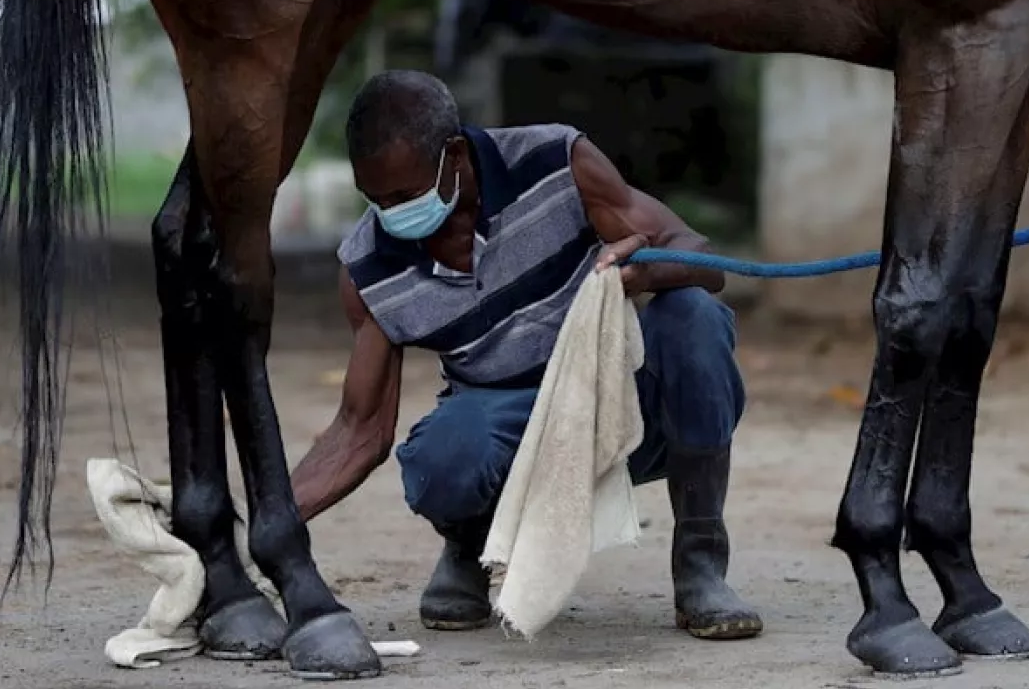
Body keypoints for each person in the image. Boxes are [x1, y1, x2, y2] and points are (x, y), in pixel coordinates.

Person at [288, 69, 762, 641]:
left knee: (694, 315)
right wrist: (270, 522)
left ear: (454, 155)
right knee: (446, 451)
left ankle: (701, 564)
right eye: (376, 200)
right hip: (507, 436)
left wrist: (642, 274)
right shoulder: (369, 267)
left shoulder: (555, 161)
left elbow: (699, 255)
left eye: (405, 197)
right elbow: (357, 429)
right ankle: (467, 548)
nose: (392, 215)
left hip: (619, 414)